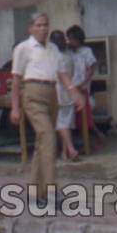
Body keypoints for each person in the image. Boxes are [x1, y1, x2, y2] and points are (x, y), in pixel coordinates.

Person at [10, 12, 84, 209]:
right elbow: (16, 79)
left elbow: (63, 75)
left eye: (46, 25)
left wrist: (75, 93)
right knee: (49, 139)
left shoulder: (53, 50)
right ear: (30, 28)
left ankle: (35, 194)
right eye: (39, 25)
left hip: (52, 95)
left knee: (42, 144)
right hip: (33, 94)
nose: (43, 29)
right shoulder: (23, 49)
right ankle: (51, 192)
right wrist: (15, 107)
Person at [66, 25, 106, 148]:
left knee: (85, 116)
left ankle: (95, 137)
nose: (71, 41)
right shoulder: (69, 53)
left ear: (79, 38)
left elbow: (90, 70)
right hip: (72, 88)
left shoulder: (86, 51)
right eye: (69, 39)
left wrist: (83, 83)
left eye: (73, 39)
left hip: (82, 88)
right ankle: (85, 141)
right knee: (76, 117)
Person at [50, 31, 79, 162]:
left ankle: (70, 150)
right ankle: (65, 152)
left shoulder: (52, 56)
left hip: (57, 92)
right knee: (67, 123)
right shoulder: (69, 55)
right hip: (69, 92)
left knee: (61, 123)